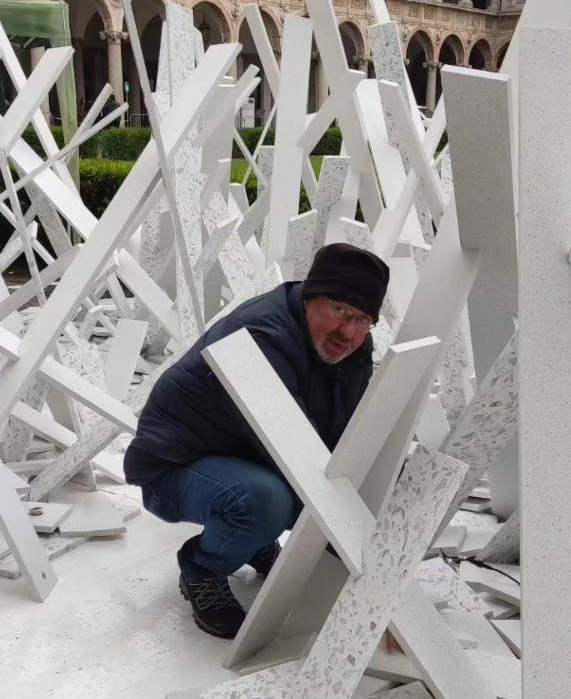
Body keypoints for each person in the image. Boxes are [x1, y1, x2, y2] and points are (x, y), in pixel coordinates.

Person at [124, 244, 391, 639]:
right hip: (175, 466)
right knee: (269, 501)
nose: (349, 332)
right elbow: (299, 460)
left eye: (363, 320)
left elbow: (348, 437)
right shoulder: (261, 338)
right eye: (340, 310)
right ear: (310, 297)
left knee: (303, 495)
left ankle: (251, 540)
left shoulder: (351, 349)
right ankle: (201, 570)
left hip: (245, 455)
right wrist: (368, 569)